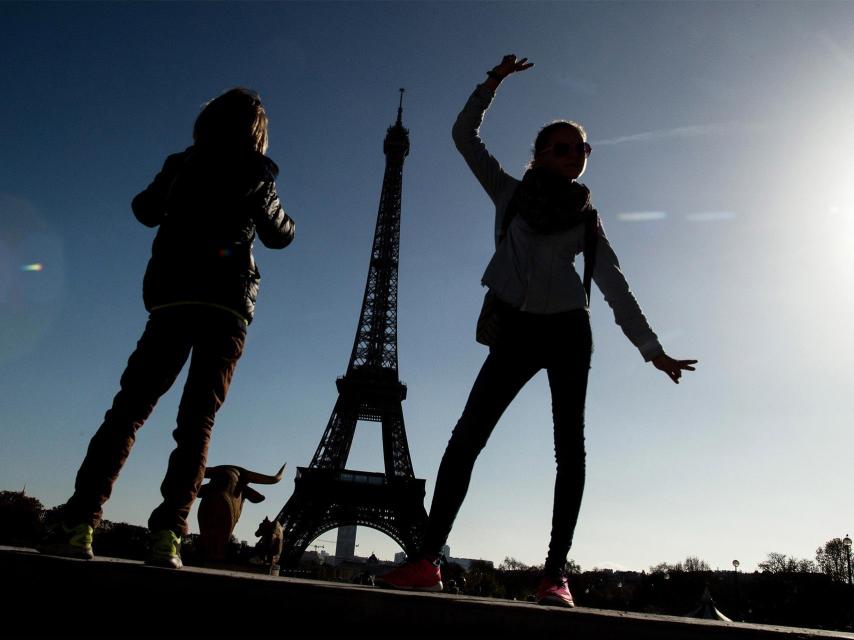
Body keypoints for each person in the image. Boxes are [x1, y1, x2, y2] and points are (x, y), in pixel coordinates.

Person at [378, 55, 697, 606]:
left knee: (569, 451)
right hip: (518, 330)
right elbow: (463, 137)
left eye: (584, 149)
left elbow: (614, 285)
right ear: (542, 154)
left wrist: (653, 350)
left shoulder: (586, 218)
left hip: (569, 331)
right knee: (466, 439)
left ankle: (554, 574)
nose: (578, 156)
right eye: (566, 147)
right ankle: (428, 560)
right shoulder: (509, 194)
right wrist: (493, 82)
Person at [39, 88, 295, 568]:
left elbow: (144, 209)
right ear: (257, 134)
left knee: (128, 411)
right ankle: (169, 536)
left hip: (174, 299)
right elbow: (280, 234)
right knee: (196, 424)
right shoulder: (260, 175)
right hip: (228, 308)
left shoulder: (182, 165)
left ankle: (79, 523)